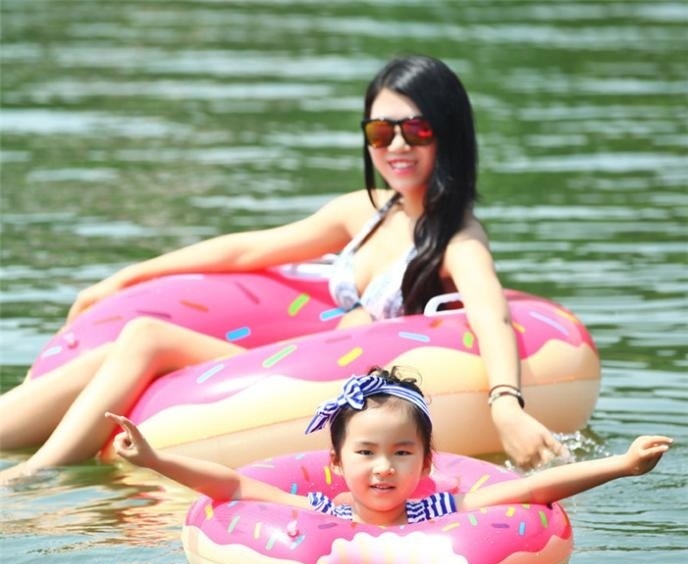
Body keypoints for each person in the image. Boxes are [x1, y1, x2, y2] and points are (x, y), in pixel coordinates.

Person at [1, 54, 564, 484]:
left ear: (447, 134)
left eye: (416, 130)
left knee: (147, 336)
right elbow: (247, 251)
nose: (396, 145)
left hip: (333, 388)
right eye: (379, 131)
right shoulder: (366, 212)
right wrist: (124, 278)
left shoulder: (456, 239)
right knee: (108, 354)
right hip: (298, 362)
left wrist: (506, 405)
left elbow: (492, 316)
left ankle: (32, 476)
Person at [105, 368, 672, 527]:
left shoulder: (440, 511)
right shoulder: (323, 512)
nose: (384, 467)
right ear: (335, 463)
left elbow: (531, 490)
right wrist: (151, 459)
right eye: (365, 452)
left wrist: (622, 464)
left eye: (403, 452)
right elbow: (231, 485)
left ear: (426, 463)